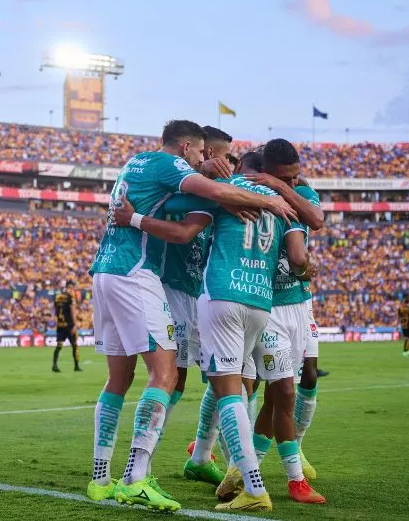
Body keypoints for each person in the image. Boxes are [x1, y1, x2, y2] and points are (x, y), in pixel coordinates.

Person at [86, 120, 297, 511]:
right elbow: (208, 197)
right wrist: (268, 198)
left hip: (105, 270)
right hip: (138, 273)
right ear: (187, 148)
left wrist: (230, 198)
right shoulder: (171, 167)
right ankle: (136, 477)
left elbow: (202, 202)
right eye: (201, 154)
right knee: (166, 374)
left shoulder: (137, 163)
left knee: (119, 378)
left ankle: (101, 478)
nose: (206, 160)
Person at [111, 126, 240, 488]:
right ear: (198, 152)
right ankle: (144, 463)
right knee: (176, 378)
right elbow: (182, 229)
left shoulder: (206, 191)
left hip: (204, 292)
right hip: (174, 289)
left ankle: (203, 455)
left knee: (226, 374)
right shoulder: (177, 188)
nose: (228, 162)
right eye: (221, 155)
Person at [238, 140, 326, 504]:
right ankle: (284, 478)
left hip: (300, 307)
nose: (293, 180)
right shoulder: (250, 196)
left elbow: (316, 221)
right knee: (277, 389)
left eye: (295, 174)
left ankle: (271, 459)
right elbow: (296, 260)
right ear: (267, 170)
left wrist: (284, 187)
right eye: (283, 176)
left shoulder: (299, 192)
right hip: (265, 303)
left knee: (294, 385)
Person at [53, 280, 81, 372]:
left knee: (59, 345)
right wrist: (75, 325)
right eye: (73, 288)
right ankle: (76, 366)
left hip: (60, 325)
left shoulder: (57, 297)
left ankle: (54, 365)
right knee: (74, 345)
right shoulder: (70, 297)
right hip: (69, 325)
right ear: (70, 287)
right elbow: (73, 312)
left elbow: (56, 311)